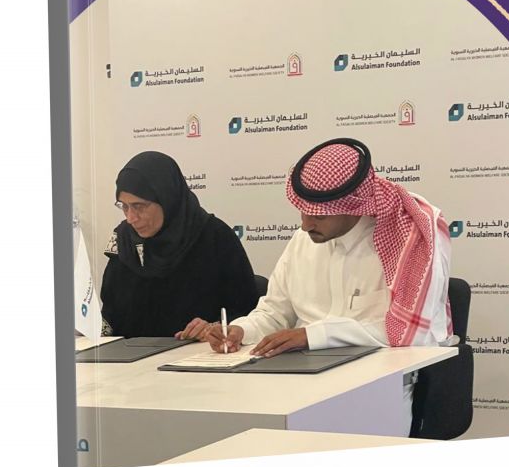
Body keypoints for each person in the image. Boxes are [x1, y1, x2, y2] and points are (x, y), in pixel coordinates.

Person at [190, 137, 451, 357]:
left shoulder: (408, 242)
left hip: (381, 380)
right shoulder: (303, 240)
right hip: (302, 373)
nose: (305, 225)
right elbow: (275, 313)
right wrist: (241, 330)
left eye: (319, 216)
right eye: (302, 212)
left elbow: (410, 334)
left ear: (353, 206)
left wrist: (313, 336)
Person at [99, 151, 257, 338]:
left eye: (139, 206)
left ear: (167, 198)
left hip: (198, 352)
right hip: (129, 354)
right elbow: (110, 315)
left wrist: (213, 329)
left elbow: (248, 312)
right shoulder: (124, 241)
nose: (131, 218)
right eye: (124, 206)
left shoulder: (215, 238)